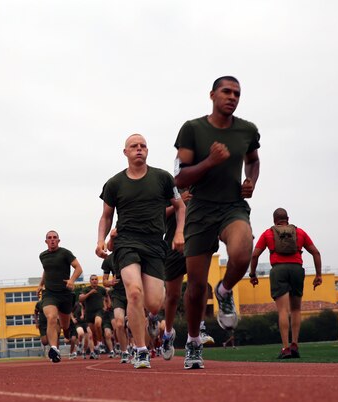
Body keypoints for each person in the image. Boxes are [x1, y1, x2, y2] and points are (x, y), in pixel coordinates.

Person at [174, 76, 260, 369]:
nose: (232, 97)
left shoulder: (247, 130)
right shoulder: (193, 129)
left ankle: (224, 291)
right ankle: (193, 342)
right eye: (226, 91)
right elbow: (180, 177)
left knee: (241, 251)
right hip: (200, 210)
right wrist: (209, 161)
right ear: (212, 95)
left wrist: (250, 180)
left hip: (232, 206)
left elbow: (253, 159)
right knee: (196, 287)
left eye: (237, 93)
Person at [97, 133, 185, 369]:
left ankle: (156, 320)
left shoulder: (163, 178)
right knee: (134, 292)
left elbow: (180, 206)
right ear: (125, 152)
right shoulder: (114, 183)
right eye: (133, 146)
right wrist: (100, 240)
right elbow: (106, 216)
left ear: (147, 151)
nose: (139, 149)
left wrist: (178, 233)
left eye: (143, 146)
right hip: (126, 242)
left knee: (155, 303)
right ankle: (141, 350)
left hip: (155, 244)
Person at [249, 208, 322, 359]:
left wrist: (253, 274)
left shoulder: (268, 233)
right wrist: (318, 275)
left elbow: (255, 255)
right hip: (296, 269)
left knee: (283, 310)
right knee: (296, 309)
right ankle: (295, 345)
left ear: (274, 220)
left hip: (278, 270)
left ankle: (286, 347)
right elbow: (316, 252)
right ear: (287, 218)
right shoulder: (300, 232)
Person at [160, 189, 213, 361]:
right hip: (174, 247)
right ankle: (168, 334)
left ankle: (201, 328)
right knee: (173, 295)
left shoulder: (203, 186)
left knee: (198, 286)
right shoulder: (169, 188)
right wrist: (178, 203)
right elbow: (157, 216)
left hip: (196, 244)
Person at [38, 230, 83, 363]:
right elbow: (46, 270)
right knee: (51, 317)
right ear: (46, 241)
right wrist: (41, 284)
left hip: (65, 294)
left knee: (65, 326)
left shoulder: (65, 253)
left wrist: (72, 280)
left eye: (54, 238)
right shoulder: (43, 256)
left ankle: (67, 333)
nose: (52, 240)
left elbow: (78, 268)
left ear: (58, 240)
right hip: (50, 294)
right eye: (49, 238)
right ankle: (54, 349)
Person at [102, 248, 131, 363]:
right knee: (119, 324)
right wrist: (110, 282)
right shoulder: (108, 259)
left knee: (133, 324)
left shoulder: (131, 254)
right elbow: (104, 281)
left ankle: (139, 349)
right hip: (118, 294)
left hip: (132, 292)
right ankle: (124, 352)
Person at [79, 275, 108, 357]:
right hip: (89, 313)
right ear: (90, 281)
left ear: (98, 281)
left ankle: (101, 342)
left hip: (99, 311)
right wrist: (90, 293)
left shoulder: (101, 289)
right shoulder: (86, 289)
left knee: (98, 324)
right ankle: (96, 347)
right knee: (93, 333)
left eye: (96, 279)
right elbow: (81, 299)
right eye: (92, 279)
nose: (94, 281)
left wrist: (107, 305)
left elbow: (107, 295)